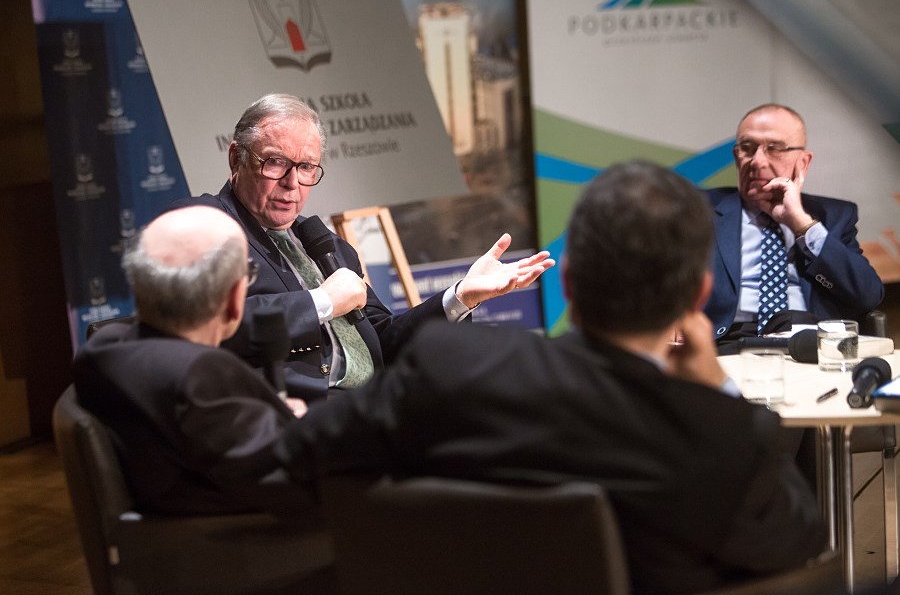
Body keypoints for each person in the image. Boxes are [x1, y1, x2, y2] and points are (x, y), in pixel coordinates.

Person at [276, 161, 828, 595]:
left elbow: (305, 452)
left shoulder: (448, 367)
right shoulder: (724, 433)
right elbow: (799, 541)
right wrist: (719, 391)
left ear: (567, 283)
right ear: (698, 297)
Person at [174, 93, 553, 402]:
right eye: (275, 162)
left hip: (370, 410)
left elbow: (384, 341)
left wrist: (461, 296)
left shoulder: (326, 247)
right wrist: (322, 302)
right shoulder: (203, 224)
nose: (292, 183)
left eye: (306, 167)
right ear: (236, 158)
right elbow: (205, 324)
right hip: (291, 416)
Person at [73, 206, 310, 516]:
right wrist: (301, 427)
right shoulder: (201, 375)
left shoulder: (105, 347)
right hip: (241, 533)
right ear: (233, 298)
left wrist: (264, 420)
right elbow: (292, 482)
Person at [705, 103, 883, 351]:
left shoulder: (834, 215)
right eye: (747, 148)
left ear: (803, 162)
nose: (757, 161)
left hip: (810, 345)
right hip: (727, 344)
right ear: (737, 156)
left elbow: (867, 295)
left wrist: (802, 223)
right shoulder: (699, 209)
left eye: (775, 149)